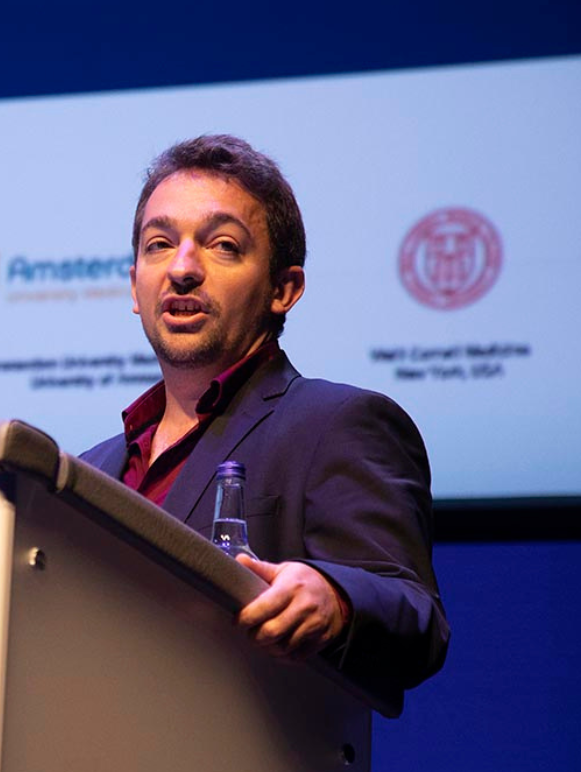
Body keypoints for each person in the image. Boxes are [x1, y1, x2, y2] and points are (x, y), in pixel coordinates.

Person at [80, 134, 449, 693]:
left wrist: (335, 598)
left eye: (222, 245)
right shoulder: (89, 472)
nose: (182, 268)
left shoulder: (339, 423)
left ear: (284, 288)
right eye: (159, 244)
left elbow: (413, 615)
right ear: (134, 285)